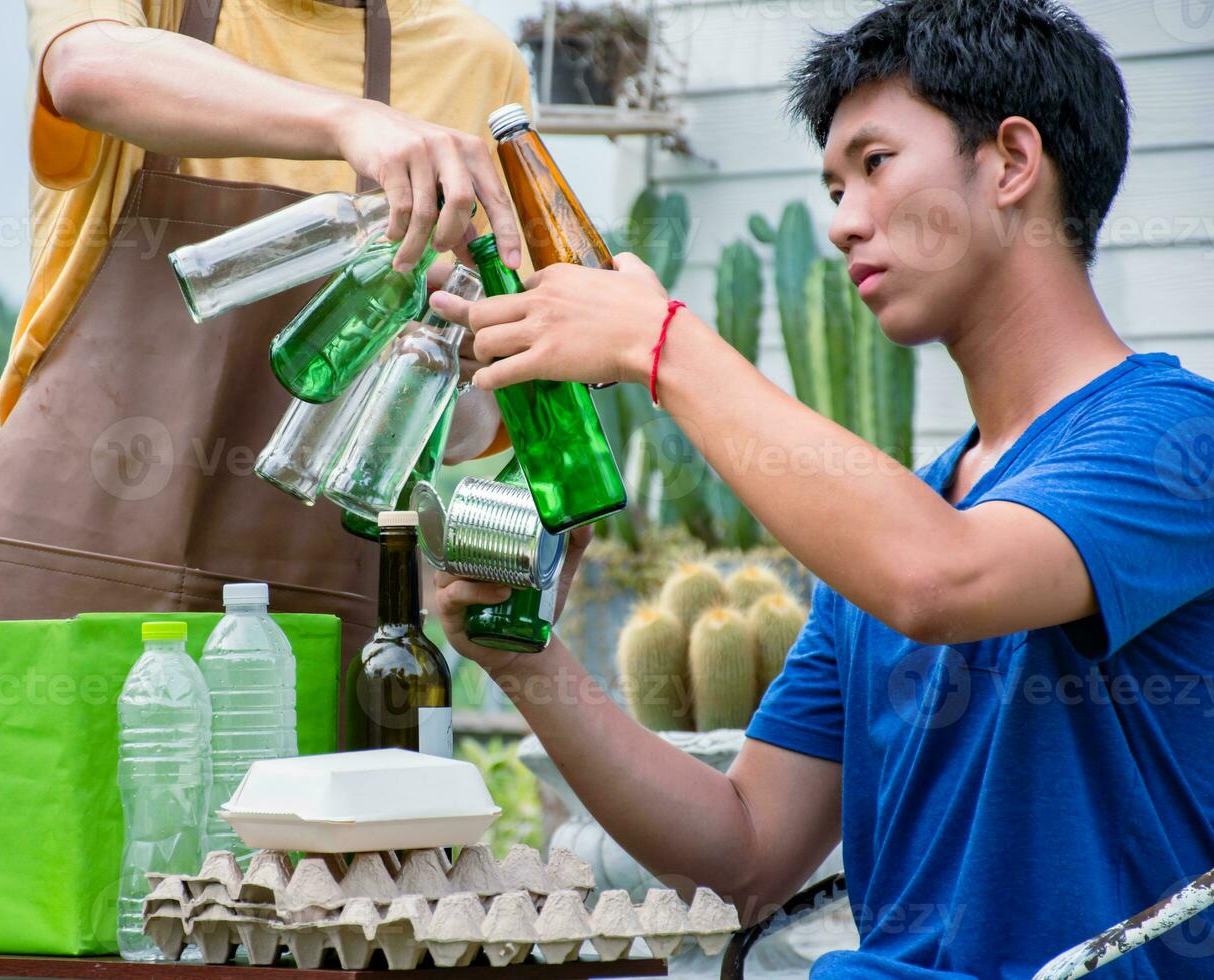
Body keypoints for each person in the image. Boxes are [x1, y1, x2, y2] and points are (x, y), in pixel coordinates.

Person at [429, 1, 1214, 976]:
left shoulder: (1180, 436)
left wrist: (660, 341)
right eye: (833, 184)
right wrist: (527, 658)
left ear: (1012, 162)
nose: (842, 223)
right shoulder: (898, 527)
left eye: (876, 163)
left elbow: (941, 579)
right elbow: (746, 854)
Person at [0, 0, 525, 975]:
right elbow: (87, 70)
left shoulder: (474, 60)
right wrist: (349, 120)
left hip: (311, 614)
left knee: (290, 937)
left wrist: (448, 351)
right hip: (50, 570)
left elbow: (490, 416)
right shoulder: (146, 14)